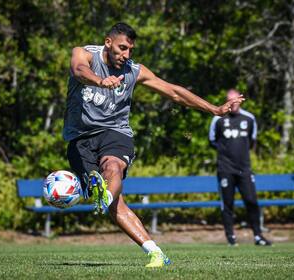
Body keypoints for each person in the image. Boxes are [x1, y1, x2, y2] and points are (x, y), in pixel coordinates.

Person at [63, 22, 244, 268]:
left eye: (130, 50)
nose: (126, 55)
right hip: (79, 138)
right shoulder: (84, 53)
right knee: (116, 205)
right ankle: (156, 252)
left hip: (115, 132)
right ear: (108, 42)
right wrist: (99, 81)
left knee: (112, 166)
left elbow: (174, 92)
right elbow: (78, 70)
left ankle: (103, 193)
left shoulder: (134, 71)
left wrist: (214, 109)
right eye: (122, 48)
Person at [208, 89, 272, 246]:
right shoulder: (218, 119)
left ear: (241, 100)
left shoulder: (249, 119)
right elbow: (212, 141)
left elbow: (252, 141)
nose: (233, 103)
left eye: (236, 100)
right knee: (228, 204)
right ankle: (231, 238)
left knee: (251, 201)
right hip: (225, 169)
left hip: (244, 168)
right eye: (230, 100)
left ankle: (258, 236)